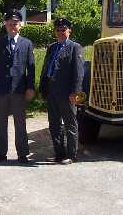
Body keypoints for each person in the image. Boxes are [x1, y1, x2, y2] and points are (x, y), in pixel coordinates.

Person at [0, 10, 35, 164]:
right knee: (0, 122)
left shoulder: (27, 44)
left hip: (19, 90)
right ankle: (1, 152)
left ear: (20, 25)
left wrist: (30, 87)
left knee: (20, 123)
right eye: (10, 24)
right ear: (5, 25)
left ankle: (22, 153)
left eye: (15, 24)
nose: (12, 26)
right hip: (1, 89)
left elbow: (31, 68)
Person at [39, 18, 84, 165]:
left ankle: (71, 155)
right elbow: (46, 68)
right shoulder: (52, 47)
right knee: (54, 125)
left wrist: (75, 92)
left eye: (63, 30)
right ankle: (59, 154)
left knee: (70, 124)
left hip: (67, 93)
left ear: (69, 30)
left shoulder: (75, 47)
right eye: (57, 30)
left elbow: (78, 73)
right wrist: (43, 88)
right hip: (52, 92)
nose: (60, 32)